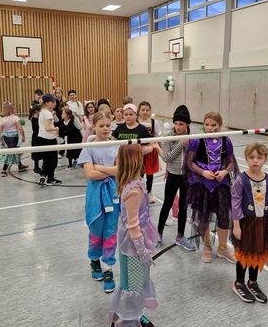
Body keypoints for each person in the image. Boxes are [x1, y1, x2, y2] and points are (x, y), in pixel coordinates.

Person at [110, 144, 160, 327]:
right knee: (132, 284)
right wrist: (143, 251)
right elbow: (133, 226)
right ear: (136, 162)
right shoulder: (134, 190)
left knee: (133, 282)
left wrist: (152, 146)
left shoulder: (132, 182)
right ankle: (128, 320)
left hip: (135, 242)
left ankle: (134, 314)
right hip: (133, 246)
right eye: (141, 157)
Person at [186, 112, 240, 264]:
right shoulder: (197, 141)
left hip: (221, 185)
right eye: (207, 124)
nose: (209, 128)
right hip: (202, 185)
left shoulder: (226, 141)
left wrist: (224, 171)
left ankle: (223, 248)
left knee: (223, 217)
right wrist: (203, 172)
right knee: (203, 216)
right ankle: (207, 246)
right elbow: (190, 163)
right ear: (203, 124)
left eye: (213, 125)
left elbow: (231, 162)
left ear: (219, 125)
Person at [231, 143, 268, 303]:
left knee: (257, 252)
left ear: (265, 159)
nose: (255, 161)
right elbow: (235, 203)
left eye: (259, 157)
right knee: (244, 254)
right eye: (252, 157)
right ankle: (239, 283)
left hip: (262, 224)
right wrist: (236, 225)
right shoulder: (241, 180)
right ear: (246, 158)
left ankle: (252, 282)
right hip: (246, 224)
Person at [78, 112, 119, 293]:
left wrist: (100, 168)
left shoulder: (117, 145)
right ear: (93, 126)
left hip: (113, 193)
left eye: (108, 125)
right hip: (95, 195)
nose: (105, 128)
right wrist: (111, 171)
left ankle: (108, 268)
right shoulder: (88, 148)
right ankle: (94, 259)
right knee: (96, 229)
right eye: (101, 125)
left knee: (111, 231)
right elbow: (90, 174)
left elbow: (120, 170)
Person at [155, 105, 196, 251]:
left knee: (184, 207)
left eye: (182, 124)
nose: (178, 127)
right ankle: (158, 234)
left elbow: (195, 158)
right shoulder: (168, 138)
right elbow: (167, 158)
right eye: (176, 123)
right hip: (173, 176)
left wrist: (189, 144)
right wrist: (180, 144)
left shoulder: (192, 139)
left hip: (186, 177)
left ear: (187, 125)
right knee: (167, 204)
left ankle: (180, 236)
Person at [138, 101, 162, 204]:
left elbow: (158, 137)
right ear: (139, 111)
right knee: (139, 173)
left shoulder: (153, 122)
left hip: (151, 151)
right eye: (143, 110)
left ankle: (149, 192)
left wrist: (160, 149)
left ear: (150, 111)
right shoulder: (136, 121)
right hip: (138, 151)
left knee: (150, 173)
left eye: (147, 110)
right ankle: (139, 192)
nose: (145, 112)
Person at [37, 94, 61, 186]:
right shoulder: (47, 113)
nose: (54, 103)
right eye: (52, 102)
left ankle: (46, 176)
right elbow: (47, 128)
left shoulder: (43, 111)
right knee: (53, 160)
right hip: (49, 138)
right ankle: (49, 177)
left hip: (42, 138)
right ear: (46, 103)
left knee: (47, 160)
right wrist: (57, 128)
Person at [0, 102, 28, 176]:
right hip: (14, 137)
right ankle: (4, 170)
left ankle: (20, 165)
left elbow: (0, 132)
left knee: (15, 150)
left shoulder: (2, 120)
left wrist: (1, 141)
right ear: (11, 110)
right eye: (13, 108)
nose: (15, 109)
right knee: (11, 152)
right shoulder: (15, 118)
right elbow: (20, 128)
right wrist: (23, 136)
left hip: (6, 138)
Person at [29, 103, 42, 174]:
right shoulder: (33, 118)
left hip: (40, 136)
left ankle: (41, 166)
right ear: (37, 111)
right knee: (36, 152)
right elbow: (36, 128)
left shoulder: (40, 117)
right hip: (36, 137)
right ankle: (36, 167)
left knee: (41, 151)